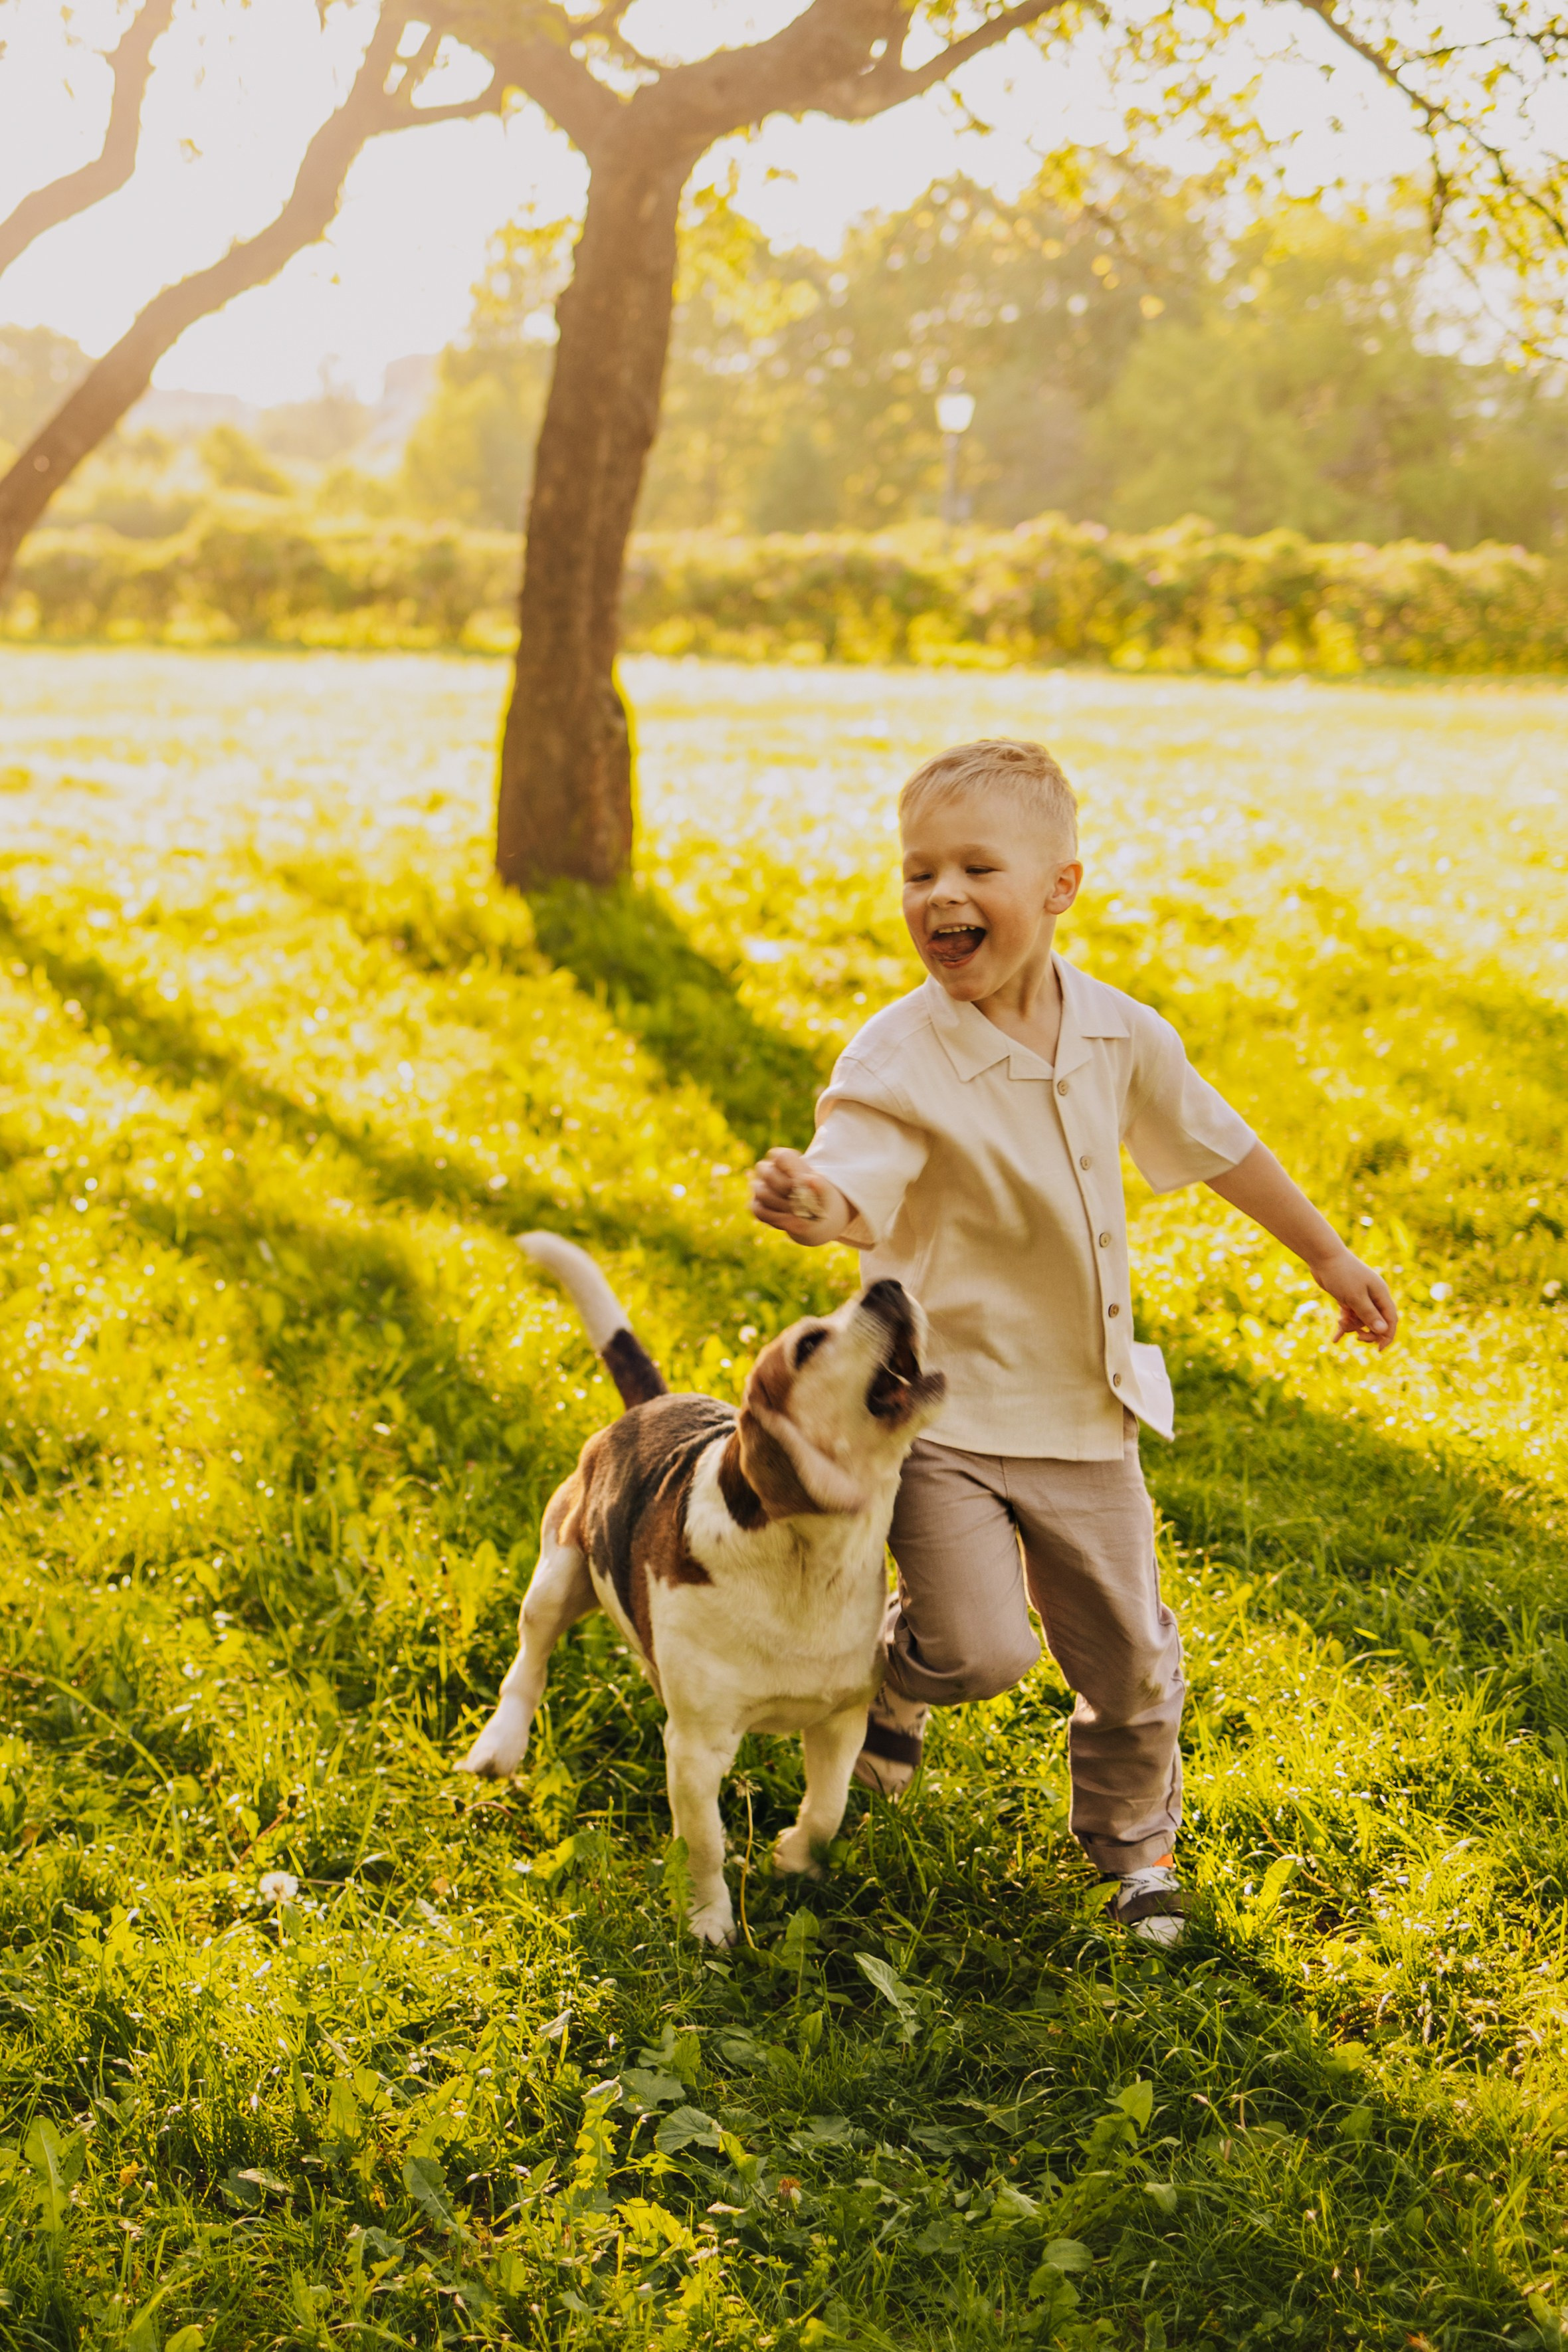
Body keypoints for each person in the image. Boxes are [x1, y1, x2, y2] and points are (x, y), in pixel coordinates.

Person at [749, 738, 1397, 1945]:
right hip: (937, 1413)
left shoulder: (1119, 1035)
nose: (939, 896)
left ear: (1059, 889)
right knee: (981, 1647)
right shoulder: (899, 1054)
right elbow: (857, 1174)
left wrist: (1325, 1253)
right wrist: (814, 1206)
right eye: (916, 873)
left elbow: (1220, 1144)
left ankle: (1135, 1850)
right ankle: (904, 1680)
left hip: (1086, 1411)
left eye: (975, 868)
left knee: (1131, 1659)